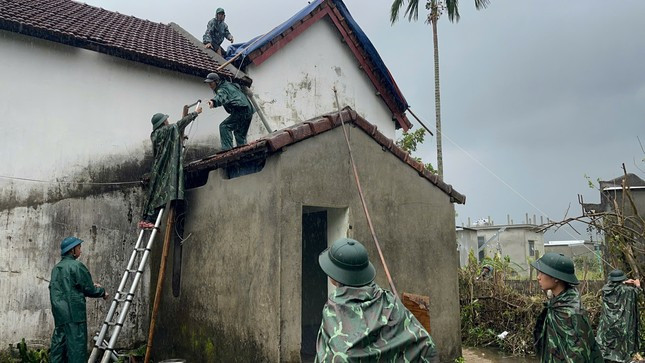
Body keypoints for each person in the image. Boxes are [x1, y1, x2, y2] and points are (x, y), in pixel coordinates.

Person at [315, 238, 439, 362]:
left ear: (335, 275)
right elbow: (424, 343)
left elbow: (330, 356)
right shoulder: (390, 302)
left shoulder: (333, 308)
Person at [531, 253, 603, 363]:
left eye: (542, 273)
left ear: (555, 278)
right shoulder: (555, 305)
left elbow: (579, 355)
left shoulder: (573, 313)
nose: (538, 277)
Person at [138, 106, 202, 229]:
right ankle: (151, 219)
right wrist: (195, 113)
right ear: (163, 122)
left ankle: (146, 218)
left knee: (154, 192)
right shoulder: (167, 130)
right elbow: (179, 125)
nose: (168, 121)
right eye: (166, 120)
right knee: (162, 192)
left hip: (157, 166)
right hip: (166, 166)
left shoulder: (155, 135)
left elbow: (168, 142)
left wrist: (180, 139)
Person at [49, 236, 109, 363]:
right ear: (72, 250)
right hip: (74, 314)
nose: (80, 251)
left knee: (59, 349)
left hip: (60, 315)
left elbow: (67, 287)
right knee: (76, 351)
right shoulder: (76, 266)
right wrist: (102, 292)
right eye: (79, 248)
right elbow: (88, 289)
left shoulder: (56, 269)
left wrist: (91, 286)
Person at [596, 269, 642, 363]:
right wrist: (637, 285)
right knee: (622, 342)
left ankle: (610, 357)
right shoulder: (628, 290)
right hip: (622, 322)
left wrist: (624, 281)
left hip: (608, 322)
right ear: (622, 279)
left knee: (610, 341)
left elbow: (611, 285)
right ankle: (622, 358)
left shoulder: (605, 290)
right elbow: (638, 293)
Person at [204, 73, 254, 151]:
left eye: (211, 83)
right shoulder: (230, 85)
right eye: (208, 84)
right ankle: (244, 152)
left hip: (241, 109)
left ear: (216, 81)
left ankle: (227, 151)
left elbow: (221, 96)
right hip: (248, 110)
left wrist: (213, 102)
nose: (210, 86)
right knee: (239, 134)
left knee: (224, 127)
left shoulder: (222, 88)